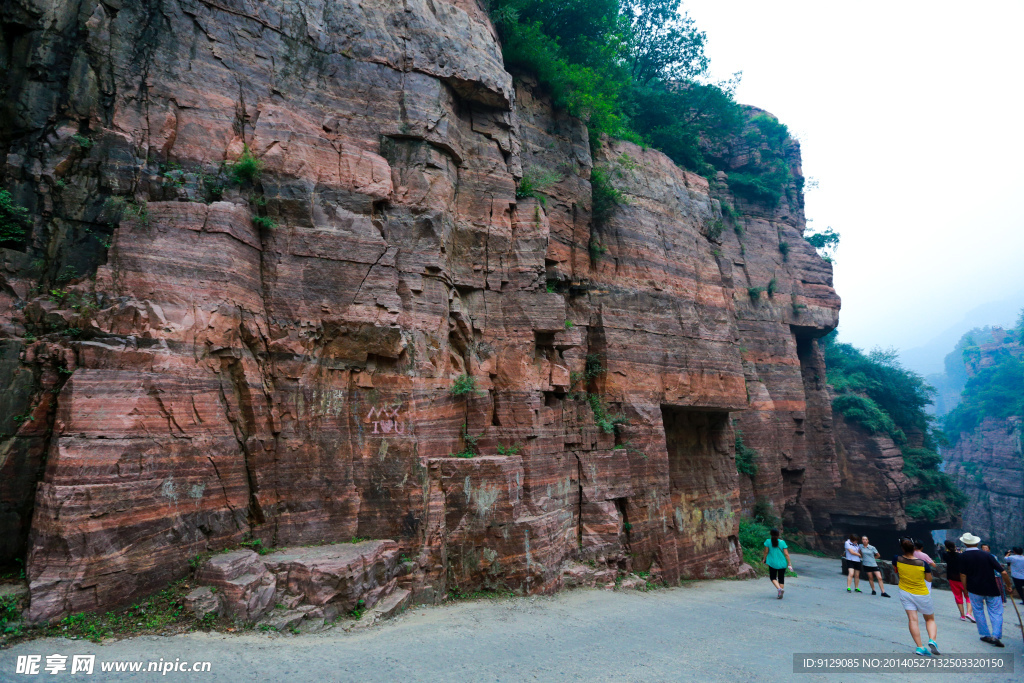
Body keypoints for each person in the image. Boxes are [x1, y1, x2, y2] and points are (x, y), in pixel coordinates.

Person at [959, 532, 1015, 648]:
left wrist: (965, 589)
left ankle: (985, 634)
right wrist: (1008, 585)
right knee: (996, 612)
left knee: (978, 612)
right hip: (991, 589)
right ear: (977, 543)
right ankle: (996, 635)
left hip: (974, 589)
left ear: (964, 543)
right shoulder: (987, 555)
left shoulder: (963, 556)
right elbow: (1003, 572)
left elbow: (963, 575)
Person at [895, 538, 940, 656]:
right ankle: (932, 640)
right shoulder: (923, 564)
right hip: (922, 593)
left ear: (902, 548)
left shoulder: (897, 559)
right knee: (930, 619)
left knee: (913, 619)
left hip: (905, 592)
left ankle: (920, 647)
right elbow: (929, 579)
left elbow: (896, 571)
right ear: (914, 548)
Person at [939, 540, 975, 622]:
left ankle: (962, 615)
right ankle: (969, 613)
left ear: (946, 547)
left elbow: (945, 555)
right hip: (962, 578)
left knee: (958, 596)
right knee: (968, 596)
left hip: (952, 578)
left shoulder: (945, 555)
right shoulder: (961, 556)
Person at [762, 528, 793, 599]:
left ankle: (779, 590)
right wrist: (789, 563)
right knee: (781, 578)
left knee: (773, 577)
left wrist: (764, 559)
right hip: (782, 563)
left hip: (772, 563)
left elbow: (766, 552)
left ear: (770, 534)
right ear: (778, 534)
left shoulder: (768, 541)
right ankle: (780, 592)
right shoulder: (782, 542)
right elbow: (786, 554)